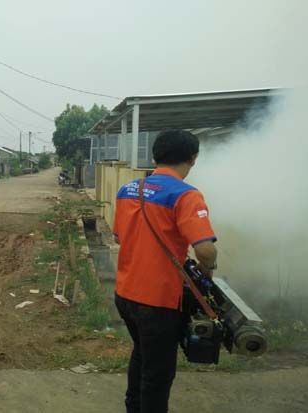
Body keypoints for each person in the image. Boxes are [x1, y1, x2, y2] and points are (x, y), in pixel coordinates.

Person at [113, 129, 218, 413]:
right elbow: (205, 250)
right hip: (157, 302)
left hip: (124, 294)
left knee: (142, 355)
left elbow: (119, 237)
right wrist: (207, 272)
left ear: (154, 156)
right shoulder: (186, 195)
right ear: (193, 159)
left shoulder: (127, 190)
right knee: (158, 375)